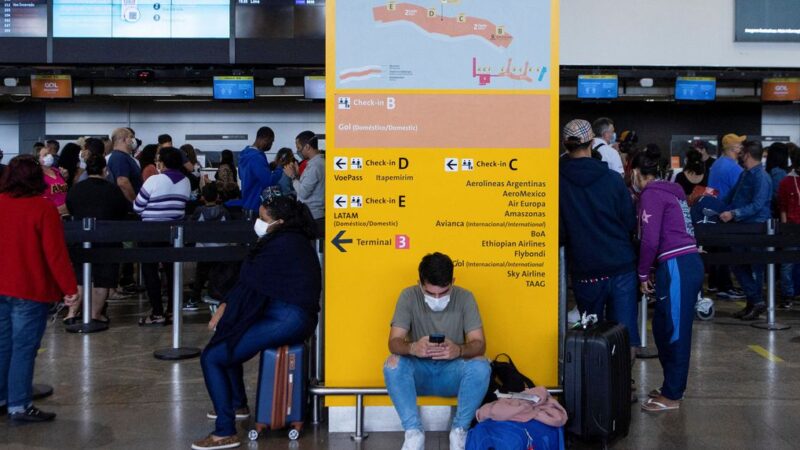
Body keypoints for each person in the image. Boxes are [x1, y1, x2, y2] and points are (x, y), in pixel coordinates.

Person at [193, 196, 321, 450]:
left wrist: (226, 308)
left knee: (213, 357)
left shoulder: (281, 244)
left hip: (287, 318)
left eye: (263, 219)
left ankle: (225, 431)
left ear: (280, 222)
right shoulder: (290, 239)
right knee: (229, 341)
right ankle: (237, 404)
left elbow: (250, 282)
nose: (258, 223)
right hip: (290, 314)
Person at [383, 252, 490, 450]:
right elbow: (394, 342)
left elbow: (479, 344)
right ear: (420, 283)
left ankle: (459, 432)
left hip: (452, 374)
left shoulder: (465, 297)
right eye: (431, 293)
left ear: (453, 282)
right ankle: (413, 434)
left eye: (443, 292)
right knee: (393, 363)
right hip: (419, 374)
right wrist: (412, 347)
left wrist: (458, 349)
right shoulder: (408, 295)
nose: (437, 298)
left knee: (482, 365)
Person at [0, 155, 79, 422]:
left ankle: (3, 397)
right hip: (29, 289)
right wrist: (70, 289)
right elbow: (55, 255)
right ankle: (19, 405)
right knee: (24, 348)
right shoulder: (43, 209)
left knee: (2, 346)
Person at [632, 147, 703, 413]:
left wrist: (642, 272)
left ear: (638, 173)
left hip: (676, 264)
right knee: (664, 327)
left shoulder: (650, 194)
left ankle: (673, 395)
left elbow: (649, 239)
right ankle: (670, 386)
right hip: (682, 262)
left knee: (674, 331)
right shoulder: (672, 192)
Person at [64, 155, 130, 325]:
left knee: (79, 277)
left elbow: (70, 208)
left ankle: (71, 313)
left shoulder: (76, 189)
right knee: (103, 278)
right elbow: (122, 211)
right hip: (106, 238)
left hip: (79, 237)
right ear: (105, 170)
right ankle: (95, 314)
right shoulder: (113, 190)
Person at [134, 147, 191, 325]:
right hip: (174, 232)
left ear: (162, 163)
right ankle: (172, 311)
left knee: (150, 271)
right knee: (172, 271)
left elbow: (137, 206)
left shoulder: (154, 180)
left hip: (150, 231)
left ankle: (157, 312)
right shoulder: (186, 181)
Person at [720, 141, 772, 321]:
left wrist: (734, 213)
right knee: (738, 265)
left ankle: (756, 301)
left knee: (755, 268)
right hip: (741, 228)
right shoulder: (745, 175)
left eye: (742, 152)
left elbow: (758, 205)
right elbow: (731, 196)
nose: (739, 155)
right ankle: (753, 301)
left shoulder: (761, 177)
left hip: (755, 229)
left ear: (748, 154)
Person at [706, 134, 747, 301]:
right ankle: (726, 287)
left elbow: (710, 189)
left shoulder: (716, 164)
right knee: (726, 252)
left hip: (714, 211)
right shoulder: (735, 169)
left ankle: (715, 283)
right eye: (740, 145)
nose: (742, 148)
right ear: (733, 148)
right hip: (728, 214)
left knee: (717, 250)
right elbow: (742, 193)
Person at [183, 183, 231, 312]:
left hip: (203, 249)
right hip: (221, 249)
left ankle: (194, 299)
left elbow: (190, 226)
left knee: (200, 274)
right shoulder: (224, 211)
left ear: (203, 197)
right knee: (219, 274)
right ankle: (218, 296)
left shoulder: (199, 211)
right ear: (217, 197)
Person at [283, 134, 325, 238]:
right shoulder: (317, 163)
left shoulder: (315, 166)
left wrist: (292, 176)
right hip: (314, 215)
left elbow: (303, 192)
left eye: (298, 148)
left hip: (312, 217)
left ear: (307, 147)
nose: (298, 151)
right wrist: (298, 176)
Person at [777, 145, 800, 309]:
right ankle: (788, 294)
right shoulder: (786, 181)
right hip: (791, 227)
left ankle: (791, 293)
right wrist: (785, 229)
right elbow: (783, 207)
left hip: (792, 226)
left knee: (788, 263)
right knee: (787, 263)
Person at [238, 127, 281, 214]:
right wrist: (280, 168)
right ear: (265, 139)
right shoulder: (257, 157)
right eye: (271, 142)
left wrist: (268, 168)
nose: (271, 145)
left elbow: (245, 175)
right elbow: (268, 181)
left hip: (247, 203)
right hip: (256, 205)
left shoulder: (245, 154)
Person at [107, 128, 143, 203]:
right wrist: (135, 202)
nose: (133, 140)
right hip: (126, 208)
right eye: (131, 137)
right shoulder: (119, 157)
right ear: (124, 139)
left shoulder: (125, 157)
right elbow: (122, 182)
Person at [37, 145, 69, 216]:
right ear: (38, 159)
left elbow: (63, 190)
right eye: (45, 155)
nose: (49, 156)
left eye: (49, 153)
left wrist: (66, 178)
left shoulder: (58, 171)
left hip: (66, 214)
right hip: (51, 214)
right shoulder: (38, 176)